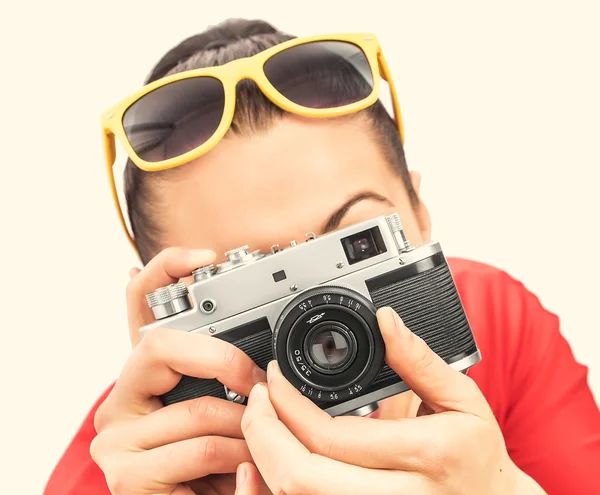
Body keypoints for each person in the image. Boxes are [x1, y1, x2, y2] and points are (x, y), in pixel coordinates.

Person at [44, 18, 600, 495]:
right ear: (160, 320)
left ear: (419, 213)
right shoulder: (135, 458)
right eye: (245, 282)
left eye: (356, 246)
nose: (321, 329)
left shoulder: (497, 321)